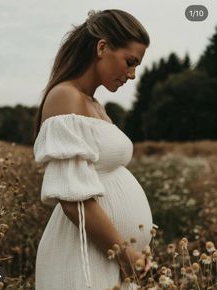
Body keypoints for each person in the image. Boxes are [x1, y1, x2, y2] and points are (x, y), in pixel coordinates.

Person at [33, 9, 155, 290]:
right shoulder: (65, 97)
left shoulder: (95, 105)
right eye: (130, 62)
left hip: (108, 255)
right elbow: (74, 201)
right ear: (102, 47)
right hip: (82, 256)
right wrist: (125, 256)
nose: (133, 75)